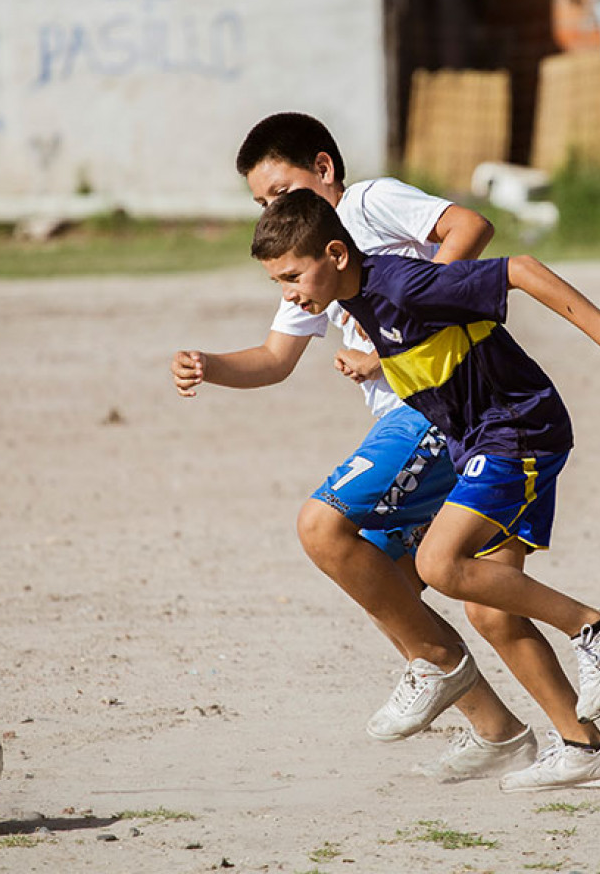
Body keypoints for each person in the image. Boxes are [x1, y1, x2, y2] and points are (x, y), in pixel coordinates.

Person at [248, 188, 600, 792]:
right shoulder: (362, 299)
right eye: (277, 281)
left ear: (335, 253)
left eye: (291, 275)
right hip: (484, 440)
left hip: (516, 430)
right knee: (491, 609)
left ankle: (597, 627)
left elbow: (519, 270)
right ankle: (582, 746)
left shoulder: (401, 284)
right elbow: (437, 346)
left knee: (438, 562)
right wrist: (379, 363)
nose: (287, 292)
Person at [172, 112, 536, 783]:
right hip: (415, 421)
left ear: (323, 170)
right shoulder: (304, 257)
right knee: (390, 585)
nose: (271, 209)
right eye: (260, 203)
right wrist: (209, 363)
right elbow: (276, 357)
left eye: (279, 191)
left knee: (322, 525)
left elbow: (470, 227)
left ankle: (490, 663)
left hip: (429, 407)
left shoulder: (367, 204)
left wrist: (408, 324)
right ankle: (500, 731)